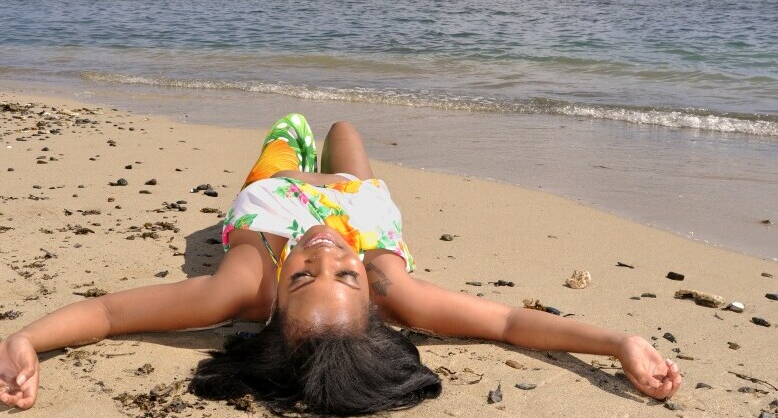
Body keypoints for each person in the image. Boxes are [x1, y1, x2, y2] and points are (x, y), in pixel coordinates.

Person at [0, 114, 682, 414]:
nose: (324, 253)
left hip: (275, 193)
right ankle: (325, 136)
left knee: (291, 126)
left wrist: (26, 339)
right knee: (346, 133)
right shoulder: (395, 288)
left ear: (272, 307)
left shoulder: (245, 283)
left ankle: (289, 133)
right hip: (361, 203)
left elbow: (111, 313)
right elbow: (509, 322)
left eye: (303, 276)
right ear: (374, 306)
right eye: (344, 275)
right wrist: (617, 341)